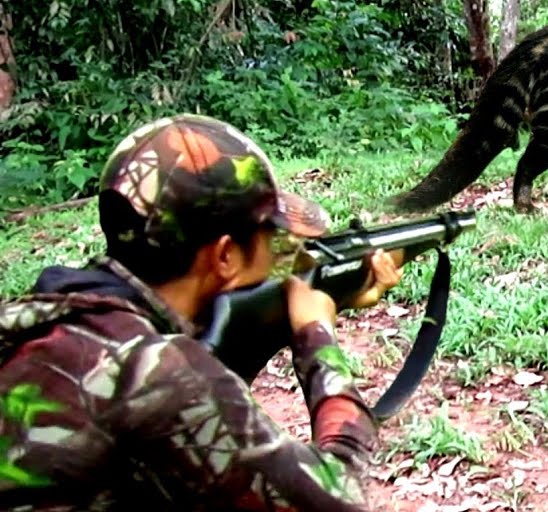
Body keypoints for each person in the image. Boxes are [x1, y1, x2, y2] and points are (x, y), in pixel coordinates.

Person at [0, 114, 403, 511]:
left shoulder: (49, 318)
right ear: (225, 255)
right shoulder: (159, 374)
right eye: (272, 236)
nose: (285, 253)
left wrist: (285, 319)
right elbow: (339, 495)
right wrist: (316, 335)